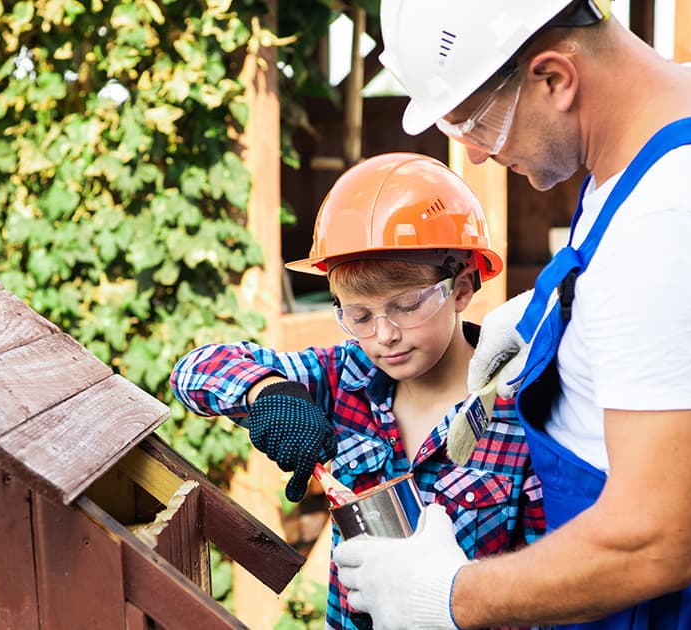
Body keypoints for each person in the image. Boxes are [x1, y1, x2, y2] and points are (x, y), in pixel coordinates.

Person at [333, 1, 691, 629]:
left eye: (475, 123)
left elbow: (651, 540)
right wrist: (565, 319)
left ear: (554, 78)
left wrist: (446, 595)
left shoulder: (676, 228)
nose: (473, 155)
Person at [170, 152, 544, 630]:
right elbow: (193, 370)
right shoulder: (341, 378)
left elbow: (544, 583)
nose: (383, 335)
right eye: (359, 316)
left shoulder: (519, 409)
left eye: (406, 306)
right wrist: (266, 390)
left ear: (463, 288)